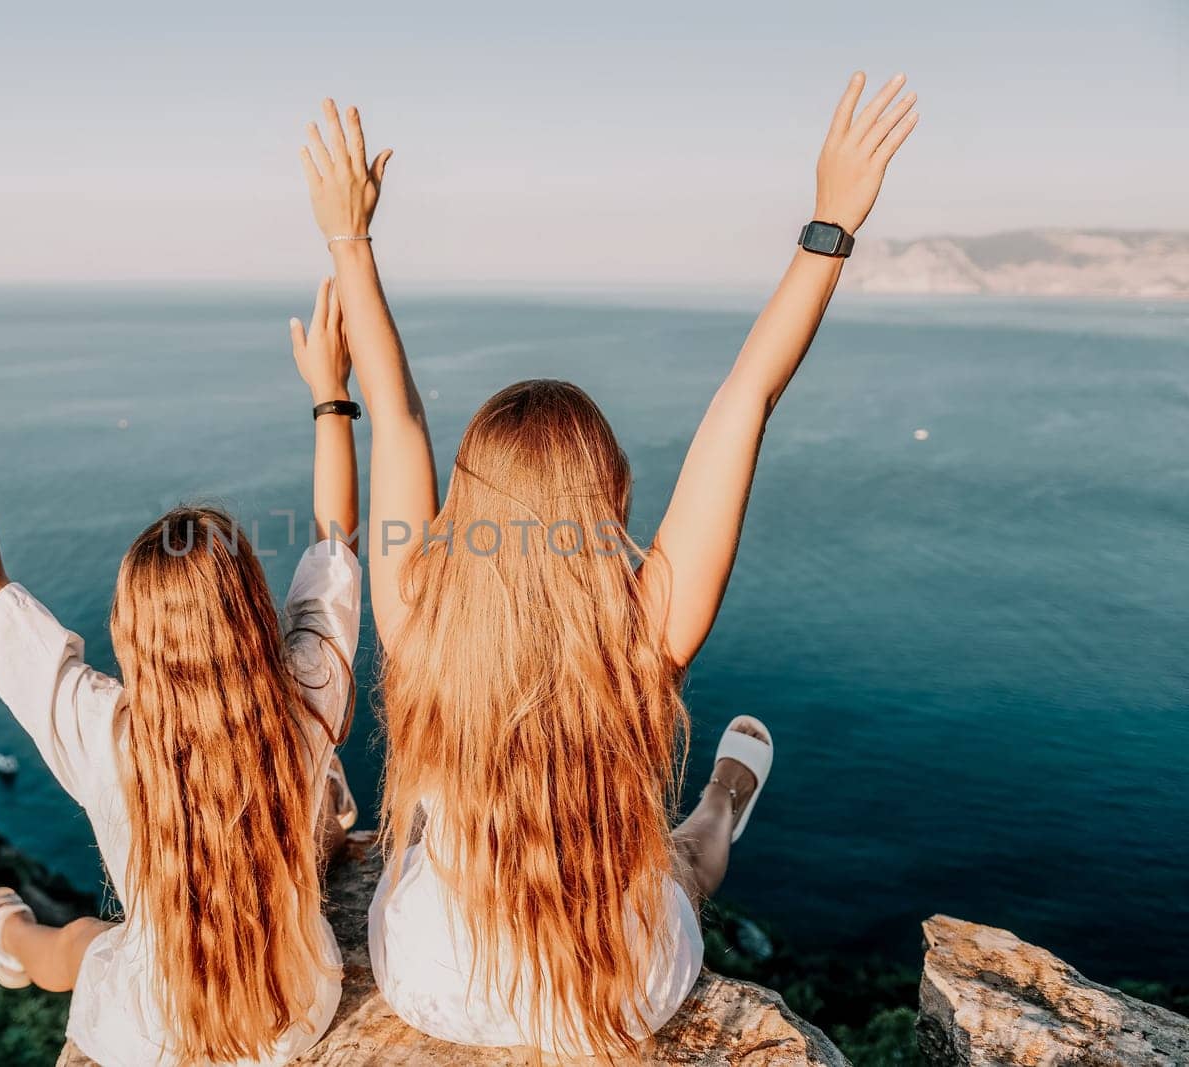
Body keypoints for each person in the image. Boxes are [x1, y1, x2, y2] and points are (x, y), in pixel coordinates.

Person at [299, 73, 919, 1058]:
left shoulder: (415, 605)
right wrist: (831, 220)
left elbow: (400, 413)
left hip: (434, 983)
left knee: (426, 843)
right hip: (623, 987)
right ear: (610, 494)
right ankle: (720, 798)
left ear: (467, 493)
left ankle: (710, 802)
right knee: (680, 859)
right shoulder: (648, 624)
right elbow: (744, 399)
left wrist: (347, 240)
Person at [0, 280, 364, 1066]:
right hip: (302, 1003)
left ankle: (4, 934)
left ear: (132, 634)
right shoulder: (306, 694)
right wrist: (331, 394)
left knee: (86, 942)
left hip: (160, 1027)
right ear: (254, 612)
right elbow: (336, 539)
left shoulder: (107, 734)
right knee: (315, 810)